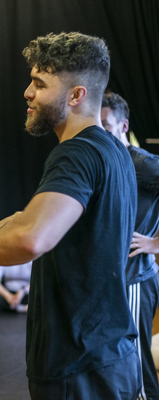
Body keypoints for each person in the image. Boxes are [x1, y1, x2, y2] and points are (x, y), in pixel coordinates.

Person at [0, 32, 141, 400]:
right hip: (110, 357)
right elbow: (64, 221)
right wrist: (2, 228)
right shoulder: (114, 151)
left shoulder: (76, 154)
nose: (27, 93)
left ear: (76, 95)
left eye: (39, 83)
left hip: (78, 364)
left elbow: (34, 237)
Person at [102, 92, 159, 400]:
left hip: (135, 280)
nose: (99, 133)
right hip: (107, 281)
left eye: (106, 126)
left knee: (135, 361)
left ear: (123, 126)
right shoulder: (102, 164)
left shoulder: (146, 166)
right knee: (112, 361)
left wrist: (155, 243)